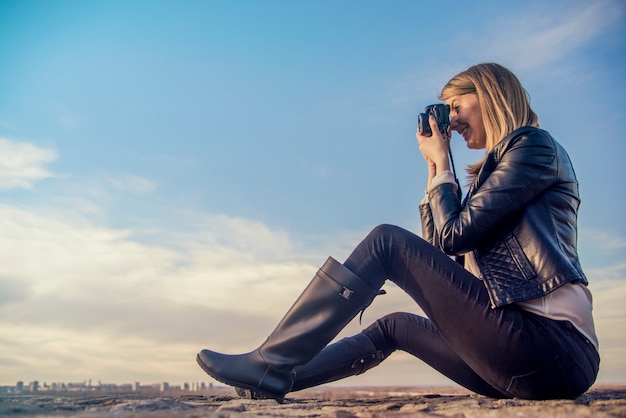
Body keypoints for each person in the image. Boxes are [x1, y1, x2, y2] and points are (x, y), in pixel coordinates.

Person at [196, 63, 599, 401]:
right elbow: (441, 257)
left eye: (457, 107)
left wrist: (444, 166)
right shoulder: (493, 175)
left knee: (386, 241)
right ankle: (277, 380)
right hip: (514, 359)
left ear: (491, 94)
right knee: (395, 326)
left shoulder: (534, 147)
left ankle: (269, 361)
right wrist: (434, 170)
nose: (452, 121)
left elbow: (456, 236)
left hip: (550, 346)